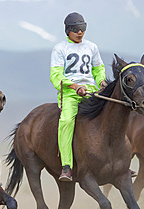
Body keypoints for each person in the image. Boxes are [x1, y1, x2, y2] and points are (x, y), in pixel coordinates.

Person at [50, 12, 107, 182]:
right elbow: (55, 76)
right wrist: (74, 86)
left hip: (90, 90)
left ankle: (119, 160)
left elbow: (98, 69)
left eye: (83, 28)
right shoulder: (59, 49)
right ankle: (67, 166)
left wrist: (102, 82)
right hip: (70, 93)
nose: (80, 32)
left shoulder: (92, 47)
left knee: (113, 115)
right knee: (66, 121)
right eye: (76, 29)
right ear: (68, 31)